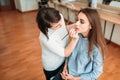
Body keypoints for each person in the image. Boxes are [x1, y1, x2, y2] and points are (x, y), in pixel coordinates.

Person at [61, 8, 106, 80]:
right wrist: (65, 67)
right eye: (77, 20)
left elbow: (97, 72)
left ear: (91, 26)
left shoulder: (97, 47)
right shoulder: (76, 35)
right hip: (68, 73)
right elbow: (69, 53)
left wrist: (75, 78)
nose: (76, 23)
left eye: (81, 22)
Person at [36, 8, 78, 80]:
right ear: (47, 27)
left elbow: (64, 29)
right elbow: (65, 53)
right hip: (53, 66)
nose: (61, 25)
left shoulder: (58, 17)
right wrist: (74, 40)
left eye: (60, 21)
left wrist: (76, 25)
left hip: (64, 60)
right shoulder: (45, 38)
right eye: (56, 26)